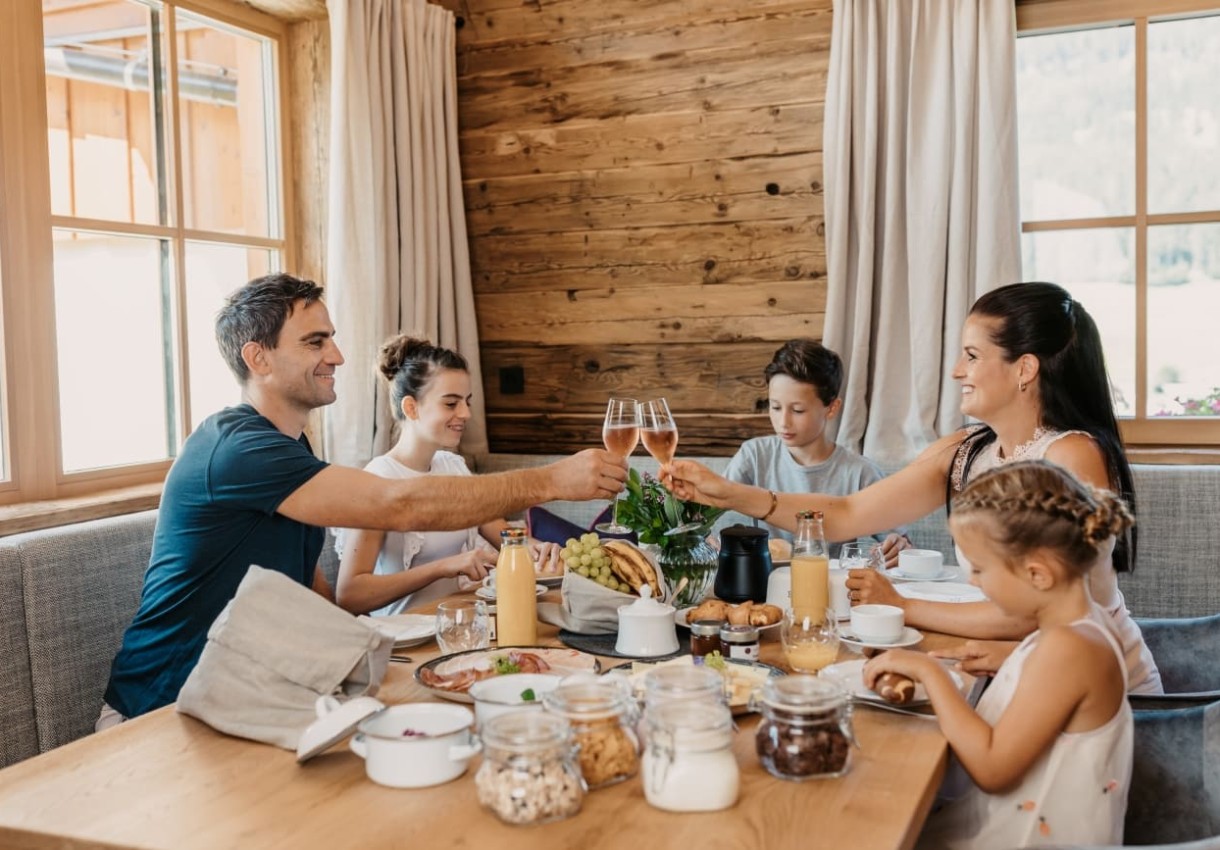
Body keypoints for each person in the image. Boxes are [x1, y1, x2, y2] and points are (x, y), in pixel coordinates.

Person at [99, 274, 625, 726]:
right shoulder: (238, 448)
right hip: (163, 709)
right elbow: (399, 506)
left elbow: (316, 595)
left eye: (331, 339)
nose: (338, 356)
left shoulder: (292, 449)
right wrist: (550, 480)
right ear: (257, 357)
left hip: (245, 697)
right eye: (315, 342)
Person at [666, 282, 1162, 693]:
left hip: (1093, 692)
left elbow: (1031, 611)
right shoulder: (969, 451)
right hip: (1018, 668)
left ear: (1024, 369)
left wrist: (901, 605)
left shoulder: (1070, 455)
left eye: (971, 355)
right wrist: (730, 493)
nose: (956, 371)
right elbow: (846, 512)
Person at [864, 461, 1133, 849]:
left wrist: (929, 672)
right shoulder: (1079, 625)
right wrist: (1013, 662)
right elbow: (1063, 689)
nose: (973, 581)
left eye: (979, 569)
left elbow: (993, 769)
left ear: (1037, 574)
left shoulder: (1068, 648)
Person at [334, 335, 561, 616]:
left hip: (456, 628)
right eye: (451, 404)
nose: (465, 413)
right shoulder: (377, 481)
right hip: (401, 643)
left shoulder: (452, 467)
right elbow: (349, 595)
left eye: (466, 401)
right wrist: (443, 567)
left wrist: (538, 549)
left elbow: (506, 539)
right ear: (411, 407)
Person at [717, 338, 909, 565]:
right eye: (775, 407)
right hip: (764, 586)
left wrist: (898, 546)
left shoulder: (859, 473)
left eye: (797, 410)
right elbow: (708, 510)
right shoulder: (755, 455)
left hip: (830, 588)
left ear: (832, 408)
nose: (783, 422)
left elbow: (900, 543)